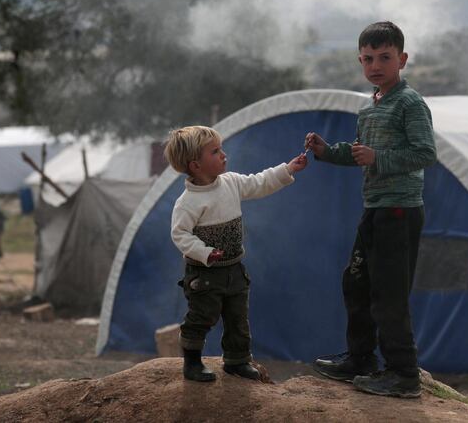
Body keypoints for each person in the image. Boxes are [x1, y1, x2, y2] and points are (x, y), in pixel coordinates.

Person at [304, 21, 436, 398]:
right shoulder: (371, 108)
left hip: (400, 210)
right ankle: (361, 359)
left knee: (389, 294)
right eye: (367, 59)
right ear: (360, 61)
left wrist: (379, 157)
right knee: (357, 283)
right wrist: (328, 152)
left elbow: (426, 153)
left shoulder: (410, 103)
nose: (375, 65)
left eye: (384, 57)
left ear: (403, 59)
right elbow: (360, 153)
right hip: (375, 208)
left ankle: (403, 374)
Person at [164, 125, 308, 382]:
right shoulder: (187, 203)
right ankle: (192, 364)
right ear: (196, 165)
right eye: (215, 151)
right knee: (201, 317)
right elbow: (181, 235)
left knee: (237, 318)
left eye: (221, 149)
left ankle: (237, 361)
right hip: (205, 274)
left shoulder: (230, 183)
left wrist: (287, 169)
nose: (223, 154)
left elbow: (259, 183)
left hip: (234, 269)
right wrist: (205, 253)